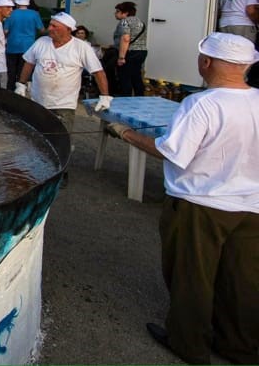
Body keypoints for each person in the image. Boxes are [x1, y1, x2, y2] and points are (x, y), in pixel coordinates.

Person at [106, 33, 258, 365]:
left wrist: (126, 133)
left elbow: (171, 152)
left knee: (192, 276)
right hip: (251, 207)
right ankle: (239, 347)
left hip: (200, 204)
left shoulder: (202, 103)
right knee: (242, 279)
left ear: (206, 62)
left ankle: (189, 344)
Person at [16, 12, 111, 132]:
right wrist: (21, 84)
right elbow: (29, 63)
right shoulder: (41, 42)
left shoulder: (81, 47)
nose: (50, 28)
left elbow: (98, 72)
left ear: (68, 29)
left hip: (63, 104)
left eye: (55, 26)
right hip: (38, 100)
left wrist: (104, 96)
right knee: (37, 135)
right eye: (50, 25)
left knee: (60, 137)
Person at [4, 0, 45, 85]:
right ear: (28, 4)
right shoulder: (35, 14)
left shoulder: (11, 14)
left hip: (12, 46)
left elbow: (5, 31)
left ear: (17, 3)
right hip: (28, 47)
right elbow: (42, 30)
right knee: (23, 71)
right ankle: (20, 89)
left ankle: (10, 90)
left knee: (11, 71)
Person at [113, 1, 148, 96]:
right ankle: (139, 98)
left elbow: (125, 38)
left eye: (117, 11)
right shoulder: (140, 22)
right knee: (136, 76)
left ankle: (126, 100)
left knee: (125, 77)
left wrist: (121, 57)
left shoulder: (124, 22)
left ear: (125, 13)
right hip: (141, 52)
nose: (115, 13)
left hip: (129, 53)